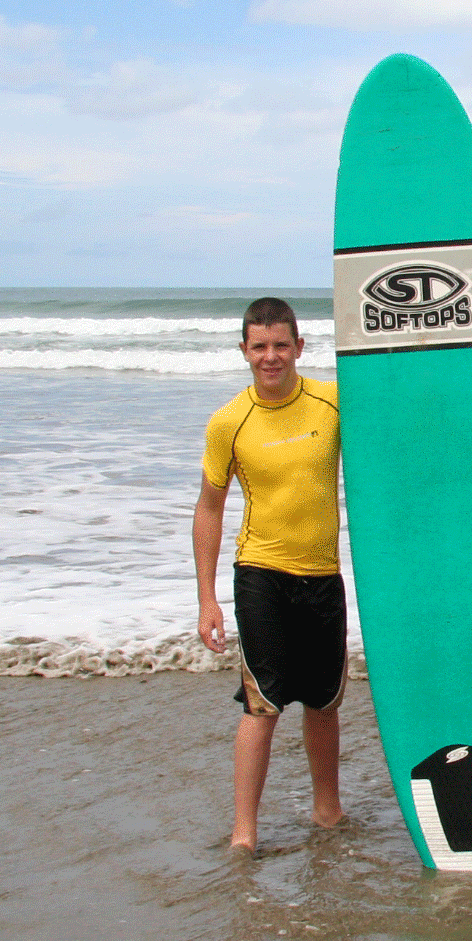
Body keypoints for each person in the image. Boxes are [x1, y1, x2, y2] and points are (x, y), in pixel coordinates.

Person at [193, 298, 347, 856]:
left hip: (324, 574)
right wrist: (207, 599)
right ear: (244, 351)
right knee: (263, 704)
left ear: (300, 347)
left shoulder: (332, 404)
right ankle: (244, 833)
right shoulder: (230, 421)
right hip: (261, 573)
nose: (271, 356)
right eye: (259, 346)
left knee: (325, 701)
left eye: (281, 344)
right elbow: (209, 508)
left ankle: (327, 810)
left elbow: (399, 429)